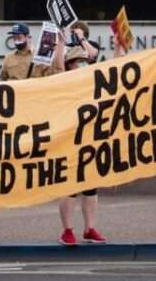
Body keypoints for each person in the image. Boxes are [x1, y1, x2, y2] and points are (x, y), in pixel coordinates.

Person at [51, 43, 104, 245]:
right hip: (68, 140)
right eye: (79, 62)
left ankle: (90, 228)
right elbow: (57, 67)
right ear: (70, 64)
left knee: (91, 186)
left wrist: (118, 46)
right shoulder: (63, 81)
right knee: (69, 186)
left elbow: (116, 70)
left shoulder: (91, 82)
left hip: (89, 139)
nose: (83, 65)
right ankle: (67, 230)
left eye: (85, 62)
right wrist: (60, 40)